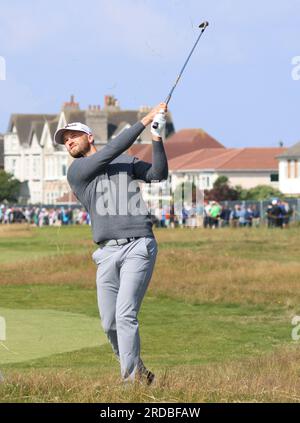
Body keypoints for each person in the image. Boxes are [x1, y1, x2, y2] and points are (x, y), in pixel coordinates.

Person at [54, 103, 168, 385]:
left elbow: (158, 174)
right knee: (109, 323)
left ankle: (130, 385)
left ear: (89, 137)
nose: (68, 142)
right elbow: (110, 151)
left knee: (125, 313)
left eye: (73, 136)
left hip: (138, 245)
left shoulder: (126, 162)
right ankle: (141, 373)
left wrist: (156, 136)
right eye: (65, 140)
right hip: (106, 253)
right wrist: (145, 119)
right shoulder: (78, 171)